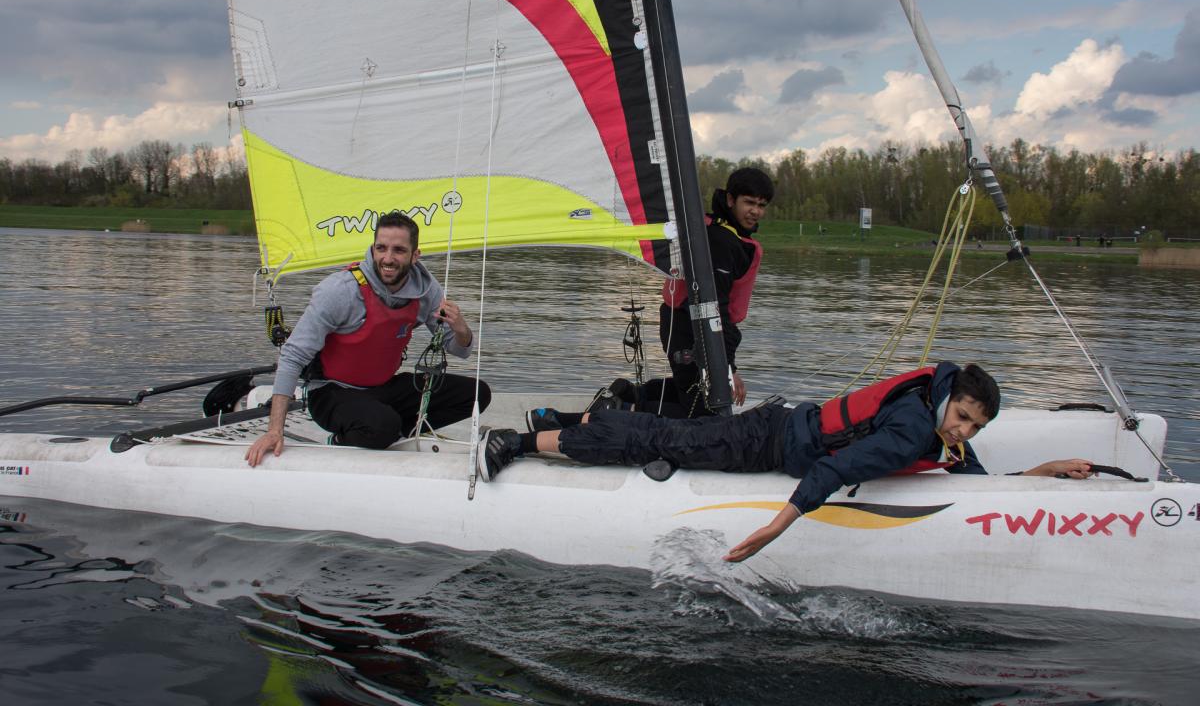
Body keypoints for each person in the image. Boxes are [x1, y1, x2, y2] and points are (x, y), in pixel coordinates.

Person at [473, 362, 1093, 560]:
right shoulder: (911, 431)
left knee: (667, 432)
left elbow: (972, 479)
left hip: (778, 424)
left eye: (975, 426)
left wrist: (1040, 476)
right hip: (765, 444)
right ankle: (516, 443)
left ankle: (566, 422)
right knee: (654, 441)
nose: (963, 431)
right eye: (962, 416)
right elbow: (830, 471)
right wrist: (776, 526)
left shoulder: (933, 413)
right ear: (948, 398)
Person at [245, 211, 490, 466]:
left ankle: (393, 432)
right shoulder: (340, 290)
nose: (388, 258)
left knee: (477, 394)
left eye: (398, 250)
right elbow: (292, 356)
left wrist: (461, 329)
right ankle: (345, 440)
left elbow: (460, 350)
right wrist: (275, 431)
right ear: (373, 249)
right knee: (382, 425)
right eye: (381, 248)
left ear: (415, 255)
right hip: (331, 392)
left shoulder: (425, 290)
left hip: (382, 388)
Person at [659, 166, 774, 416]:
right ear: (731, 199)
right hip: (689, 328)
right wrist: (728, 367)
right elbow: (712, 305)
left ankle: (632, 398)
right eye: (749, 202)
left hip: (689, 324)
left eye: (761, 205)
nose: (756, 211)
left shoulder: (720, 230)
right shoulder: (721, 240)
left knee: (692, 398)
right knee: (704, 413)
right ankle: (623, 410)